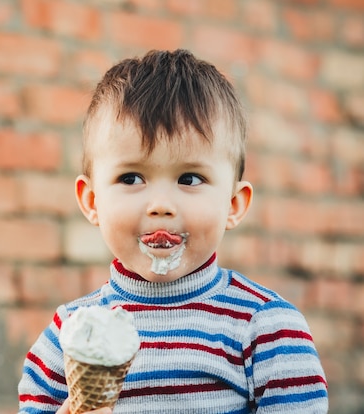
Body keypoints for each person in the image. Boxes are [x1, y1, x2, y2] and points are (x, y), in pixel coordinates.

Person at [17, 49, 328, 413]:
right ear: (91, 200)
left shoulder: (268, 329)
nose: (160, 204)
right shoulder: (69, 335)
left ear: (233, 204)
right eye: (131, 178)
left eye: (190, 178)